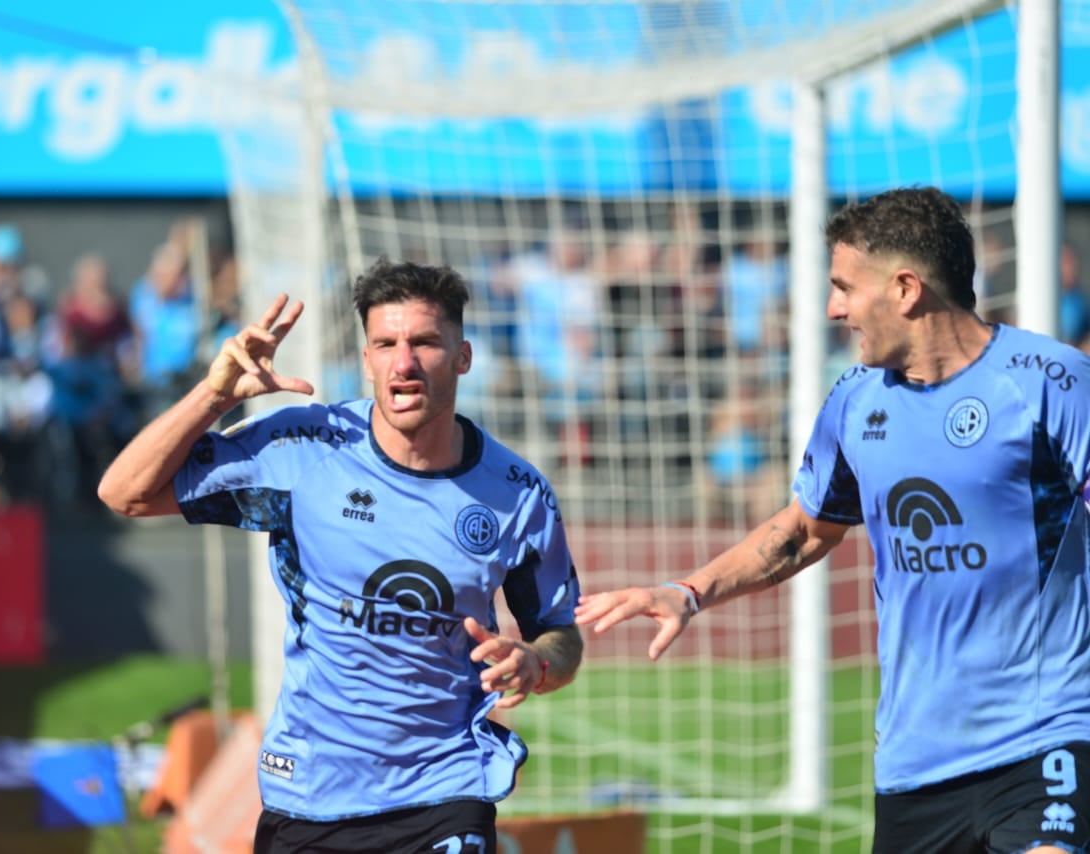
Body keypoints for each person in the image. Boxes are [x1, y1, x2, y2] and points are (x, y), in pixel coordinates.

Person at [576, 187, 1090, 854]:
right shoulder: (855, 401)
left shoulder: (1050, 381)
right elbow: (803, 532)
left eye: (845, 286)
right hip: (916, 762)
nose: (833, 309)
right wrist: (687, 592)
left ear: (906, 289)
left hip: (1044, 735)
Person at [98, 257, 583, 853]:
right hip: (311, 795)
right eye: (386, 343)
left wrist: (536, 660)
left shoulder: (517, 492)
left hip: (445, 789)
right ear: (367, 359)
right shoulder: (304, 449)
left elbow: (561, 636)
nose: (403, 362)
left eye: (425, 342)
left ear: (463, 358)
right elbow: (124, 493)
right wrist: (213, 395)